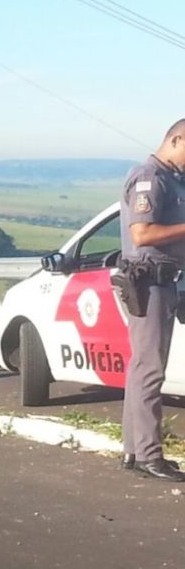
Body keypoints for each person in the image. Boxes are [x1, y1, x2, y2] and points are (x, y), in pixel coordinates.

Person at [115, 119, 185, 482]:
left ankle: (134, 449)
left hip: (167, 282)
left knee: (143, 368)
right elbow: (142, 234)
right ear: (176, 139)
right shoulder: (149, 177)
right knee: (150, 369)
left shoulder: (173, 179)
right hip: (148, 282)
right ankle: (148, 455)